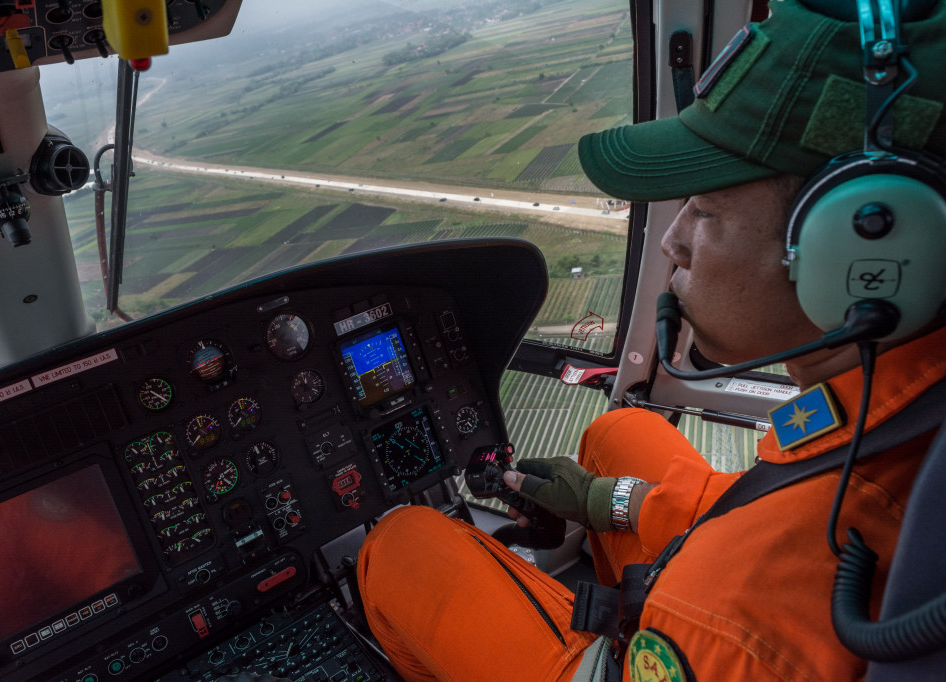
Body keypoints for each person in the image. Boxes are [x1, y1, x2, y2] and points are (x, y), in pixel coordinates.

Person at [355, 1, 946, 680]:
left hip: (687, 635)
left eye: (706, 210)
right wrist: (611, 500)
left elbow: (756, 572)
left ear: (858, 251)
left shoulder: (737, 622)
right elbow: (763, 499)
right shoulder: (897, 403)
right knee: (620, 431)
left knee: (402, 542)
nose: (672, 240)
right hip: (764, 553)